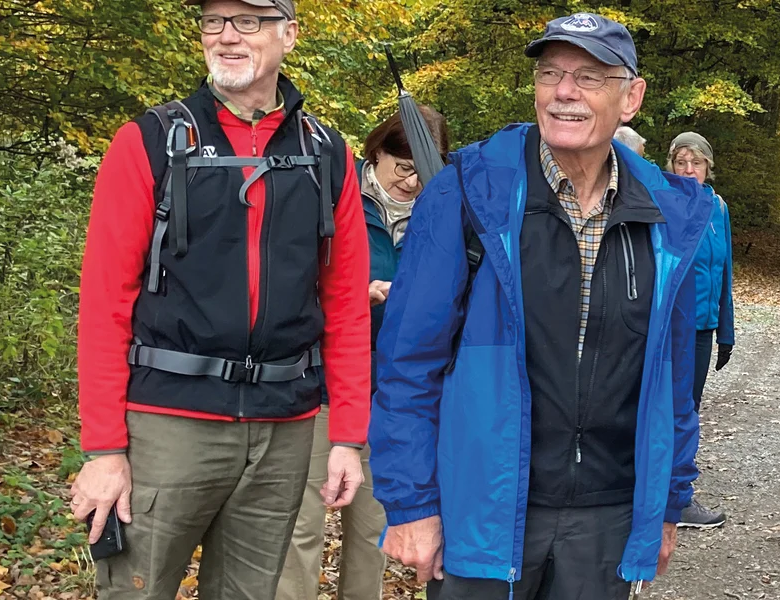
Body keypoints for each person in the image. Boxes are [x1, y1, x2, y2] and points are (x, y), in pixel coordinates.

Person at [371, 13, 714, 597]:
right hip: (485, 504)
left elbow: (676, 380)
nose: (563, 91)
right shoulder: (467, 194)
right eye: (550, 73)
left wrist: (668, 501)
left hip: (607, 514)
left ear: (631, 98)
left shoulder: (668, 218)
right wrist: (411, 504)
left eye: (589, 77)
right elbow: (407, 363)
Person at [68, 0, 371, 597]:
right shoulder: (150, 140)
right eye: (214, 21)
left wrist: (347, 438)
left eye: (248, 21)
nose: (227, 37)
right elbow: (104, 301)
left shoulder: (327, 154)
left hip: (285, 426)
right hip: (168, 425)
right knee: (134, 589)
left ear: (290, 34)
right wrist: (104, 447)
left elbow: (345, 305)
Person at [276, 104, 449, 600]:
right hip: (320, 389)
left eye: (424, 171)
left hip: (393, 401)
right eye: (403, 168)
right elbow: (286, 284)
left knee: (373, 535)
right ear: (377, 153)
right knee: (301, 531)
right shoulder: (332, 194)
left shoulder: (441, 215)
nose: (413, 183)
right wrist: (354, 296)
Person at [666, 131, 734, 529]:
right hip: (672, 325)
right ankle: (674, 497)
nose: (689, 170)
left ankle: (676, 489)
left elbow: (724, 272)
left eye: (697, 163)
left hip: (703, 327)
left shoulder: (718, 207)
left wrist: (726, 330)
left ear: (709, 167)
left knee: (689, 410)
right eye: (681, 162)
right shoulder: (663, 201)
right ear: (670, 164)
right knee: (671, 410)